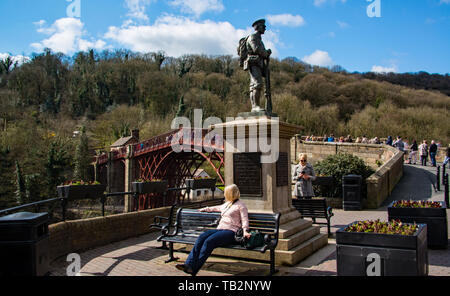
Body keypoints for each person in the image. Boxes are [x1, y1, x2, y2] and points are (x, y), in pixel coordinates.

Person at [175, 184, 251, 276]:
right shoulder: (227, 204)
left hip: (231, 231)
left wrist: (245, 230)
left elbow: (244, 219)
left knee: (209, 241)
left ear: (231, 193)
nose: (225, 194)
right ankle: (188, 264)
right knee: (201, 237)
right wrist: (204, 209)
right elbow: (216, 208)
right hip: (220, 229)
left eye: (226, 193)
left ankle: (193, 269)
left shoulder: (241, 205)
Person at [245, 19, 272, 113]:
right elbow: (256, 49)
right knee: (256, 84)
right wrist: (266, 53)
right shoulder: (253, 37)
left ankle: (255, 106)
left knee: (256, 84)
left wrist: (265, 54)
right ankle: (255, 106)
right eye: (263, 26)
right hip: (254, 63)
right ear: (257, 27)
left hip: (258, 64)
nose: (265, 28)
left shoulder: (259, 39)